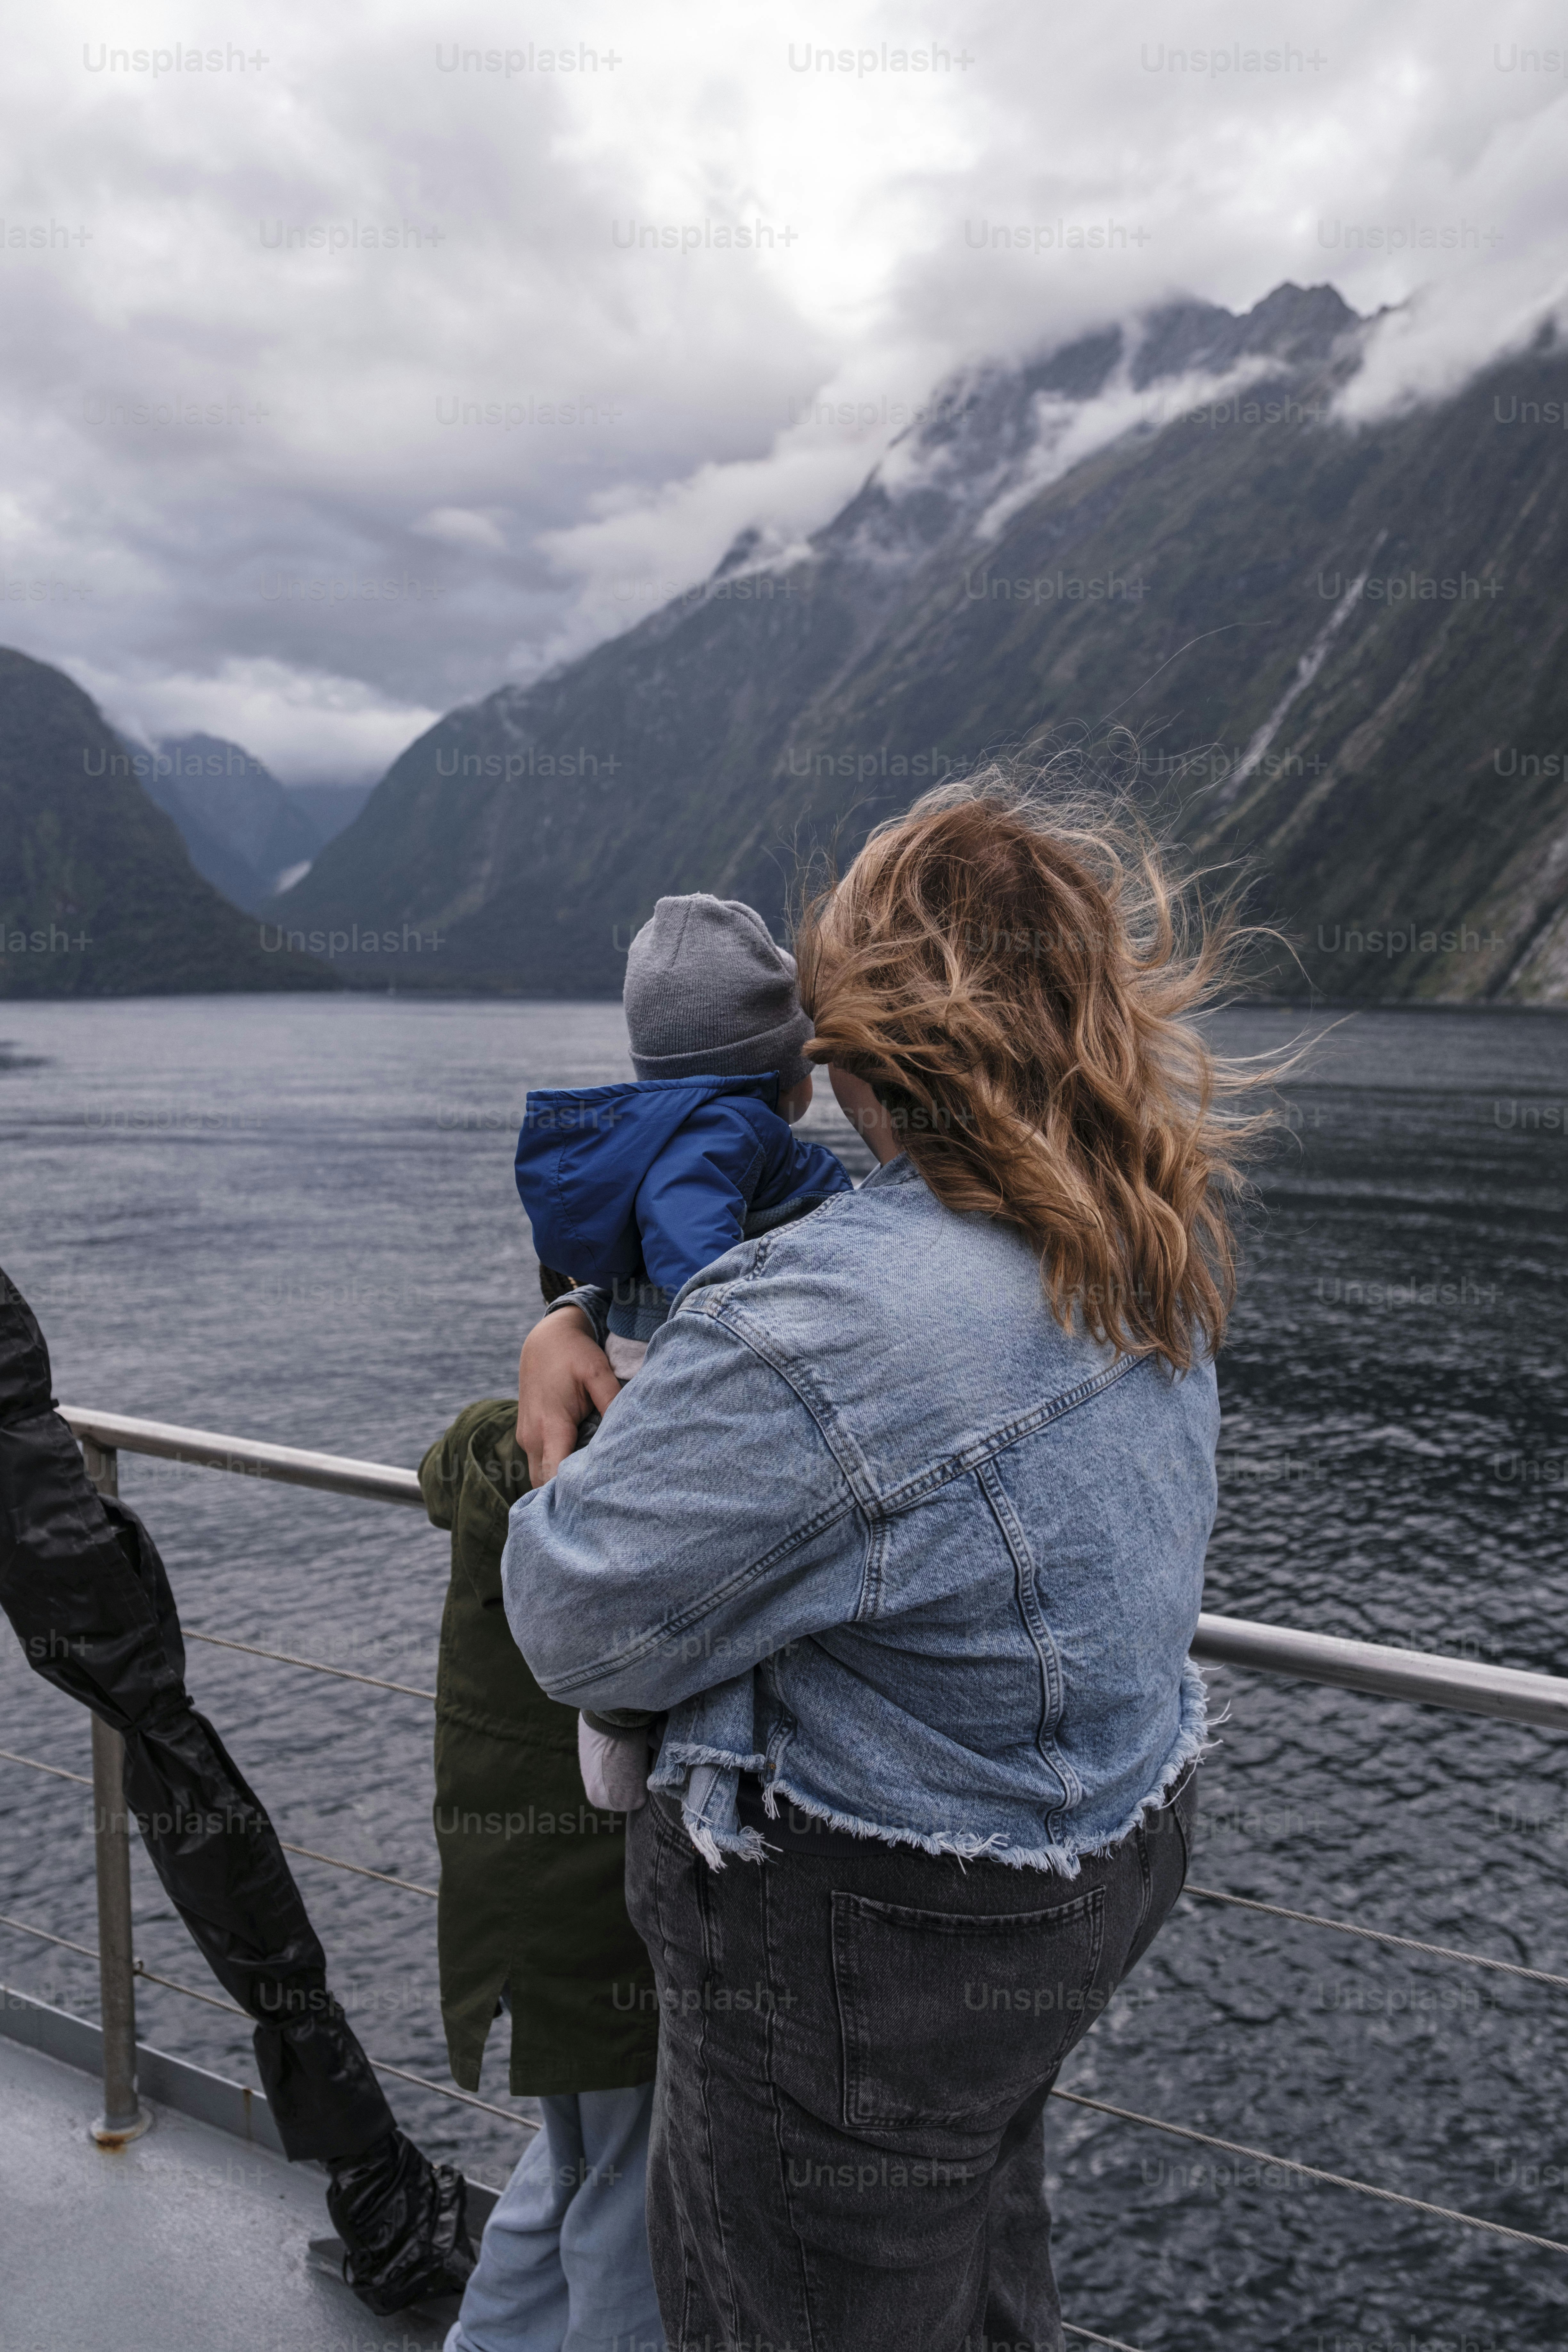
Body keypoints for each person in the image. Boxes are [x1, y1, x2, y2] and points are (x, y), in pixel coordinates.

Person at [505, 777, 1268, 2351]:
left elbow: (573, 1618)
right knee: (986, 2273)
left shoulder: (820, 1320)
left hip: (865, 1955)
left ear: (874, 1047)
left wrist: (551, 1412)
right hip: (1088, 1877)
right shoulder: (1144, 1234)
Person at [513, 891, 851, 1812]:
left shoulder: (672, 1127)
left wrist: (569, 1313)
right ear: (792, 1074)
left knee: (631, 1528)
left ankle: (626, 1710)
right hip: (672, 1357)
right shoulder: (730, 1129)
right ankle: (619, 1722)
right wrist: (724, 1316)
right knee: (651, 1537)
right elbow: (689, 1236)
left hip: (638, 1341)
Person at [420, 1388, 661, 2352]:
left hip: (523, 1896)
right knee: (630, 2203)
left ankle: (485, 2345)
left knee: (574, 2161)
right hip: (611, 1921)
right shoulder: (656, 1474)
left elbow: (443, 1469)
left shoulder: (495, 1444)